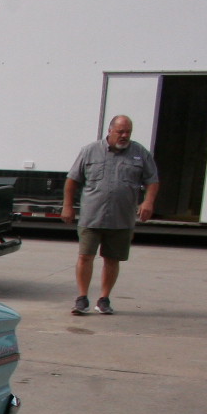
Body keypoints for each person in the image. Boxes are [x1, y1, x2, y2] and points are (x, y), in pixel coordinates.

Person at [61, 115, 159, 314]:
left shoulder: (140, 153)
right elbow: (72, 181)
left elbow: (152, 180)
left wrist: (148, 201)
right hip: (92, 216)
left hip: (121, 218)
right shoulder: (90, 151)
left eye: (128, 132)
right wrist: (68, 205)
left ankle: (104, 299)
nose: (124, 136)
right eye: (120, 131)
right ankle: (81, 298)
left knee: (112, 259)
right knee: (85, 256)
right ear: (110, 130)